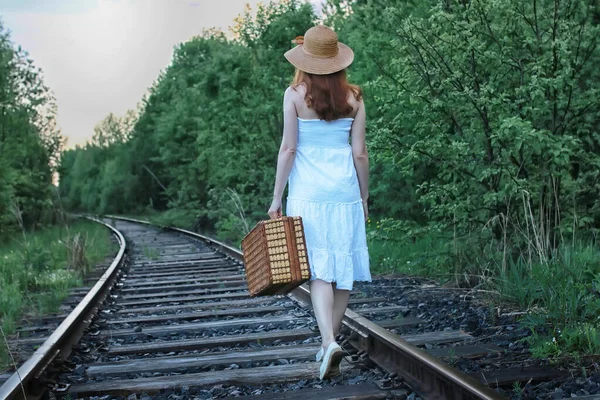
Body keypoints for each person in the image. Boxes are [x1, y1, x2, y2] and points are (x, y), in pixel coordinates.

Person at [267, 25, 371, 380]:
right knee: (342, 272)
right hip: (344, 195)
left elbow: (289, 149)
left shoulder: (294, 95)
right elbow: (359, 154)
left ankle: (328, 343)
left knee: (319, 272)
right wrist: (364, 195)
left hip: (308, 196)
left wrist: (276, 197)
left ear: (305, 61)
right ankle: (330, 342)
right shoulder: (355, 98)